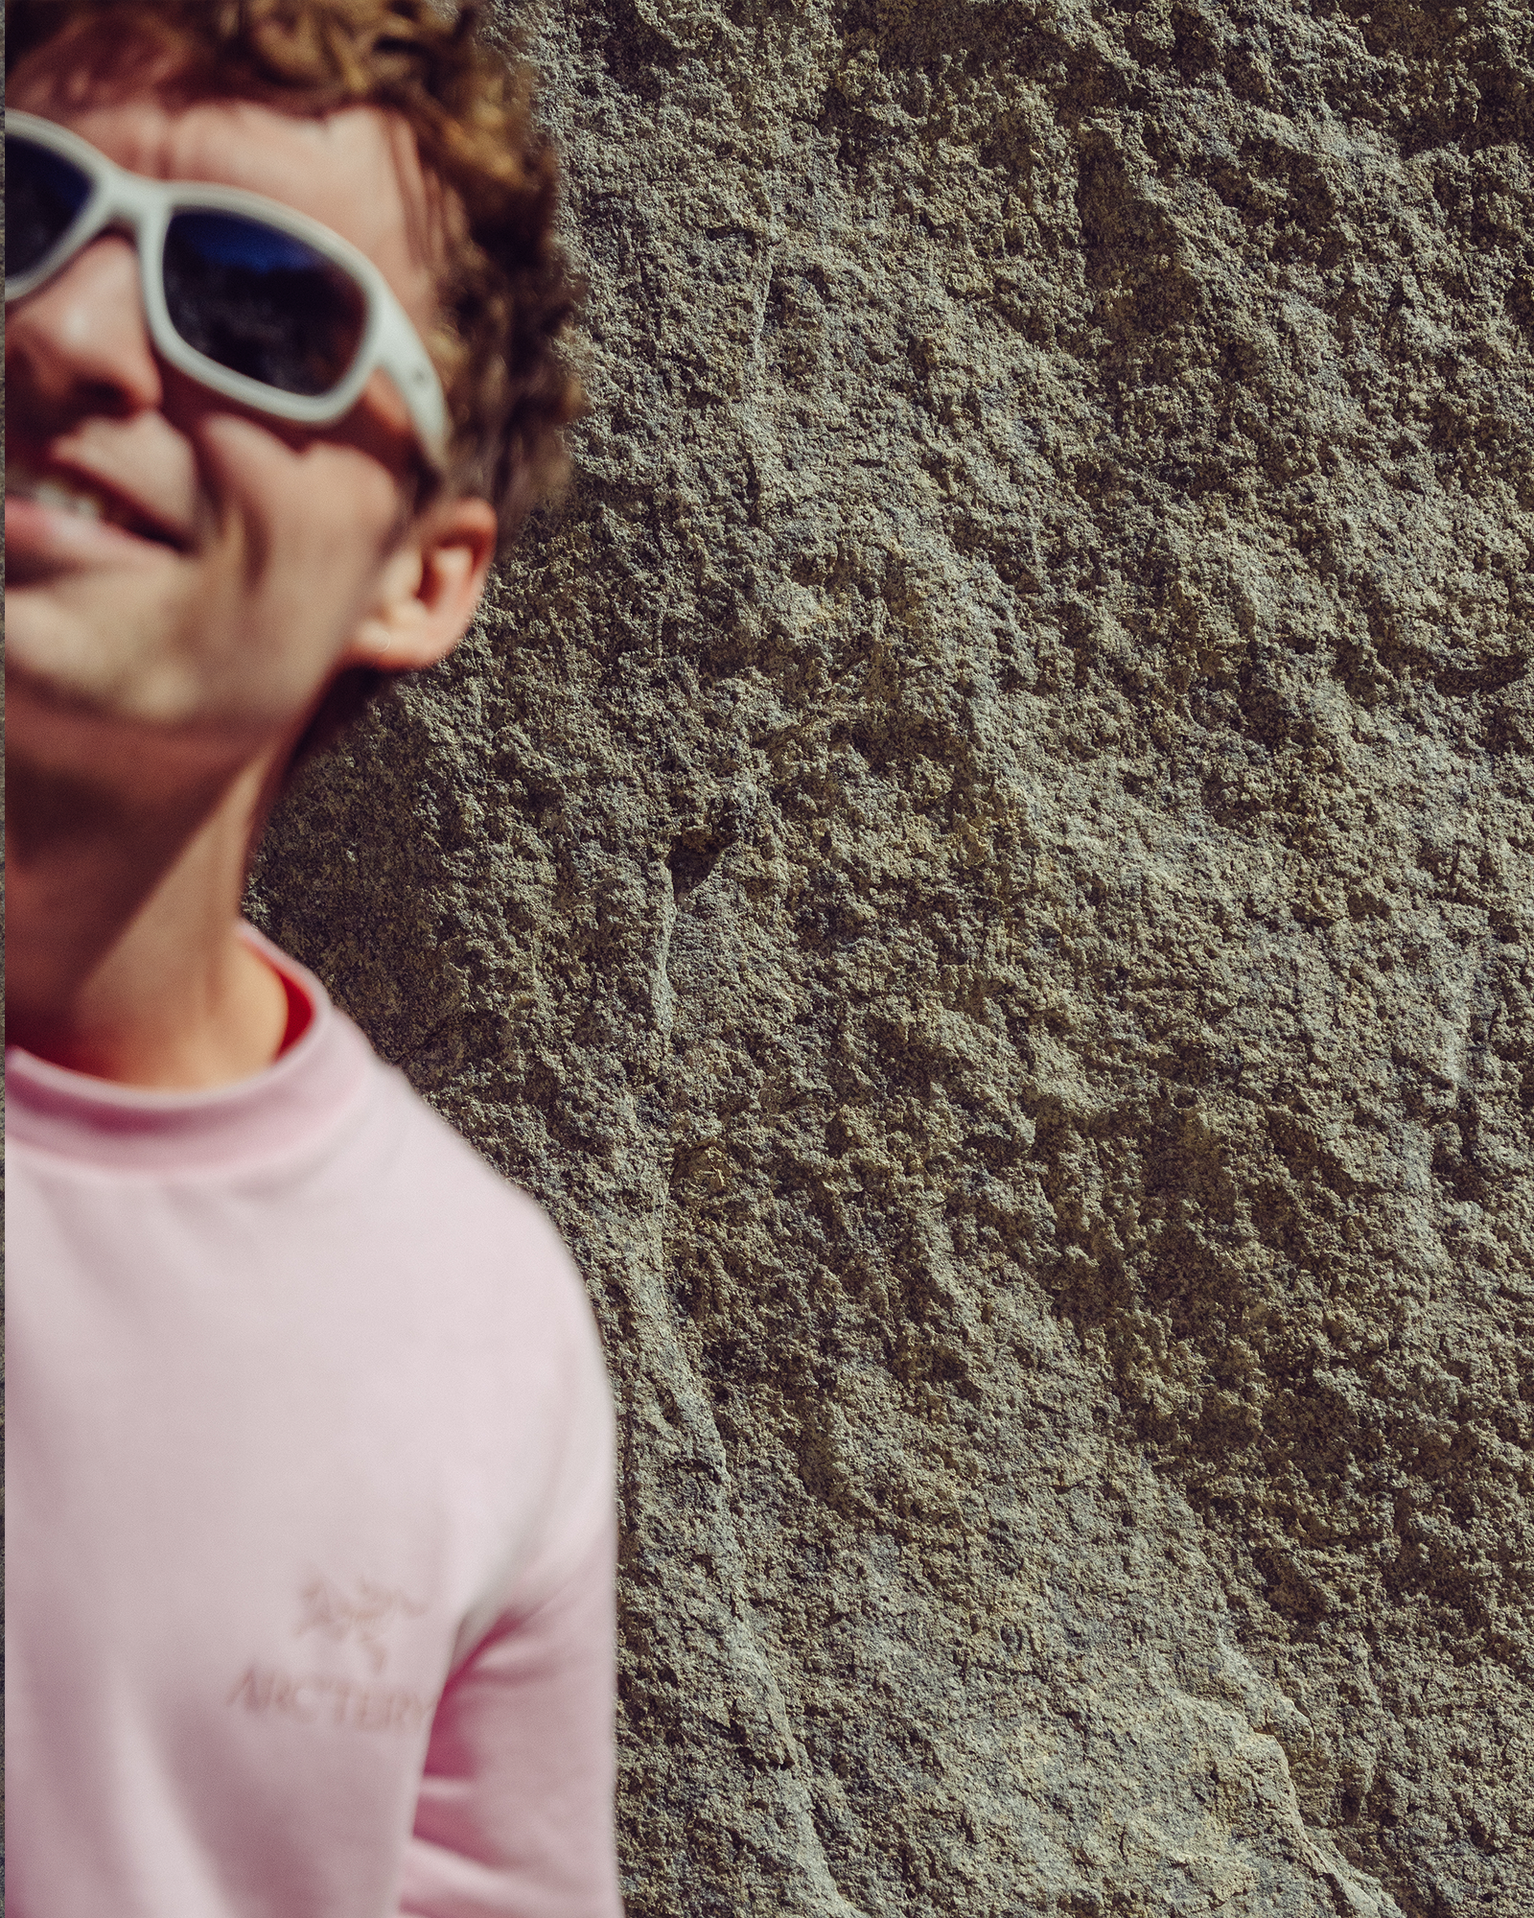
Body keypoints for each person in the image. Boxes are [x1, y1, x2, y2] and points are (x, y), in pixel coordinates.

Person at [3, 3, 623, 1913]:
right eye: (20, 208)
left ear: (423, 571)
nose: (70, 332)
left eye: (259, 306)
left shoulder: (475, 1344)